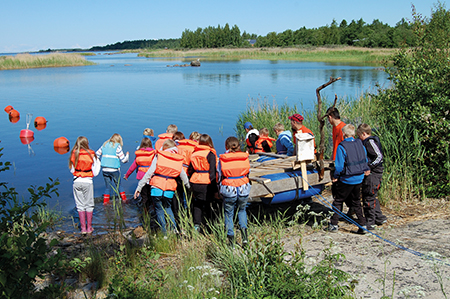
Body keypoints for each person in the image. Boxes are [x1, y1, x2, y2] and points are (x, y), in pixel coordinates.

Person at [134, 139, 190, 234]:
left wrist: (139, 187)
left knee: (159, 210)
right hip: (169, 189)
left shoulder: (159, 156)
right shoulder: (177, 159)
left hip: (156, 188)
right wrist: (189, 187)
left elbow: (148, 173)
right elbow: (183, 176)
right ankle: (174, 229)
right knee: (168, 208)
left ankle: (164, 232)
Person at [327, 124, 369, 234]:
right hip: (359, 178)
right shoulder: (360, 144)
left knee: (338, 200)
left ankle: (334, 224)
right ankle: (363, 225)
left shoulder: (342, 146)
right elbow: (364, 158)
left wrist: (335, 176)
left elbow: (339, 166)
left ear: (343, 134)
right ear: (354, 134)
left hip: (347, 179)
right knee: (356, 202)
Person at [218, 136, 251, 247]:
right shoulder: (245, 157)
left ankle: (231, 241)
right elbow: (248, 172)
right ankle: (245, 239)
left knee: (228, 214)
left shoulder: (223, 159)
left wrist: (219, 189)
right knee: (242, 211)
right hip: (243, 188)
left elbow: (219, 176)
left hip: (229, 189)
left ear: (226, 146)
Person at [356, 124, 387, 228]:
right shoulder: (367, 142)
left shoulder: (370, 142)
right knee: (372, 195)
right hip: (372, 173)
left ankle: (370, 221)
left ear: (364, 134)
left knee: (369, 196)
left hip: (374, 173)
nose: (358, 138)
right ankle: (379, 217)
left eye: (359, 136)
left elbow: (379, 156)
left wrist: (369, 167)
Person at [69, 136, 101, 234]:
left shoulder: (74, 154)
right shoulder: (91, 154)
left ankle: (83, 229)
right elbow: (95, 172)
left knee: (80, 205)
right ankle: (89, 227)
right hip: (87, 181)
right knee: (89, 205)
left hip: (76, 181)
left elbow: (72, 170)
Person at [188, 134, 218, 231]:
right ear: (210, 143)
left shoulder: (194, 153)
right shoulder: (210, 154)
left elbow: (190, 170)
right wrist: (215, 189)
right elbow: (212, 173)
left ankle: (197, 225)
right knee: (209, 203)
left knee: (198, 204)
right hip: (207, 182)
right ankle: (209, 226)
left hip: (195, 181)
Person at [124, 138, 156, 212]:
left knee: (144, 196)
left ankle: (145, 211)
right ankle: (153, 211)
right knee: (152, 195)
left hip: (141, 177)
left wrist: (127, 175)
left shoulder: (138, 155)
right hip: (151, 176)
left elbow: (133, 167)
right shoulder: (153, 154)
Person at [96, 133, 129, 204]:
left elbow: (96, 155)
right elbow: (123, 160)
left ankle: (105, 203)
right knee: (119, 186)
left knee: (107, 187)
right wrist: (127, 156)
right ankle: (125, 201)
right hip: (114, 170)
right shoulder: (117, 147)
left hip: (104, 169)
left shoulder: (104, 145)